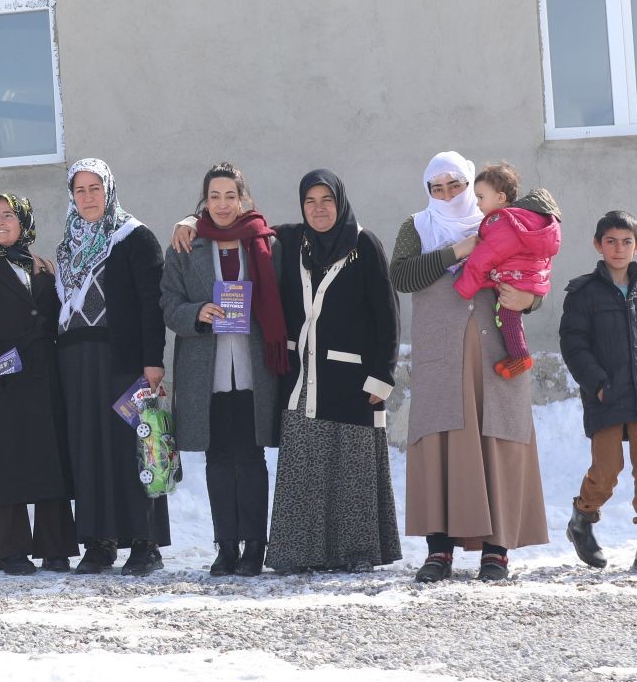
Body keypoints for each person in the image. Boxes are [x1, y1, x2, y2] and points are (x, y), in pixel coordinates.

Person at [393, 150, 547, 582]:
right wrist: (455, 251)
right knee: (442, 439)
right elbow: (402, 277)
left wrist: (531, 300)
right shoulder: (417, 227)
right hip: (442, 355)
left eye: (456, 185)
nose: (447, 193)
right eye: (437, 187)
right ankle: (439, 550)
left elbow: (533, 268)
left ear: (469, 184)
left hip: (497, 351)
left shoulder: (499, 220)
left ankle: (496, 551)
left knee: (496, 439)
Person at [265, 169, 402, 574]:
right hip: (303, 379)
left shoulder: (364, 244)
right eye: (310, 201)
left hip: (352, 380)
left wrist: (383, 375)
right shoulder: (292, 242)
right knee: (304, 468)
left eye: (327, 200)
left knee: (352, 469)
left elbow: (387, 315)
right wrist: (189, 222)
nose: (319, 208)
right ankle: (298, 553)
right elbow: (244, 226)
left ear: (339, 202)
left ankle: (356, 552)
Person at [160, 164, 287, 577]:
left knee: (250, 458)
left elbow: (283, 298)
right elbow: (168, 303)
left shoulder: (266, 243)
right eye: (213, 196)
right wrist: (198, 313)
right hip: (206, 370)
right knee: (217, 459)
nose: (221, 204)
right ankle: (226, 546)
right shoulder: (186, 245)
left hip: (254, 368)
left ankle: (255, 546)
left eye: (229, 195)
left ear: (243, 199)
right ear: (204, 200)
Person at [53, 158, 167, 576]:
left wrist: (153, 362)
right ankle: (99, 543)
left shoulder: (134, 237)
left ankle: (144, 542)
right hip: (77, 365)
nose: (87, 198)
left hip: (122, 361)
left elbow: (151, 306)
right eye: (79, 191)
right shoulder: (67, 246)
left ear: (109, 190)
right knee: (89, 452)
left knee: (133, 449)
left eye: (94, 189)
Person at [0, 193, 77, 574]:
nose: (1, 222)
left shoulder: (43, 267)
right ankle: (11, 550)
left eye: (9, 215)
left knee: (47, 459)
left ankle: (55, 547)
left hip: (42, 376)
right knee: (4, 463)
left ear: (25, 222)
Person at [559, 211, 637, 571]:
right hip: (606, 395)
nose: (619, 248)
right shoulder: (583, 293)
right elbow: (574, 344)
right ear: (598, 245)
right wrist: (598, 384)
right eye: (611, 241)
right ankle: (582, 518)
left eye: (627, 241)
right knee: (607, 470)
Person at [454, 162, 561, 379]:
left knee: (506, 315)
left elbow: (482, 259)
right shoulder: (526, 220)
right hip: (526, 278)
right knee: (509, 315)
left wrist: (464, 287)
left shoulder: (503, 223)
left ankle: (520, 356)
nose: (477, 204)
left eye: (481, 197)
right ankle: (517, 355)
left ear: (501, 197)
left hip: (517, 280)